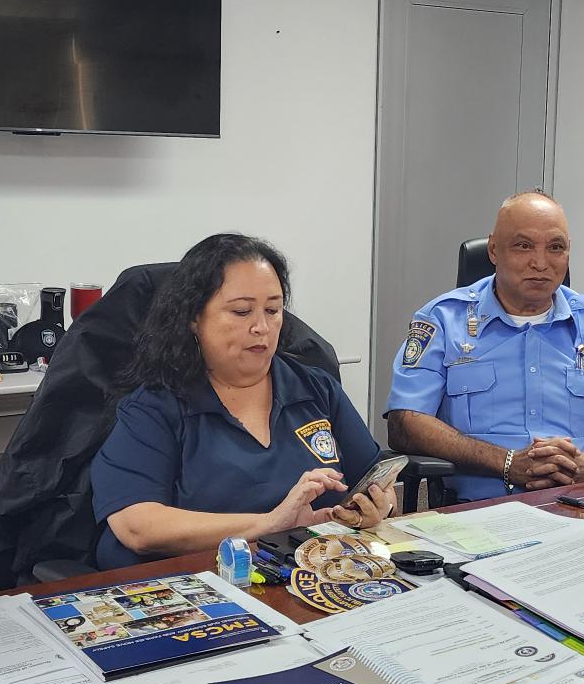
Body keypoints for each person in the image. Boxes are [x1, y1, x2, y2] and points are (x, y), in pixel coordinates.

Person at [91, 234, 396, 568]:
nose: (261, 327)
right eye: (241, 311)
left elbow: (373, 479)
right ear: (194, 318)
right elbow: (137, 526)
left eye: (273, 310)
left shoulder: (315, 388)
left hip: (311, 574)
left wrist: (375, 506)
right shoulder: (157, 406)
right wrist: (272, 523)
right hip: (202, 585)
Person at [386, 190, 584, 501]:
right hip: (478, 510)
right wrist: (507, 463)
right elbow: (405, 423)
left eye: (555, 248)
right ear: (494, 250)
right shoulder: (443, 320)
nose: (540, 263)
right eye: (523, 246)